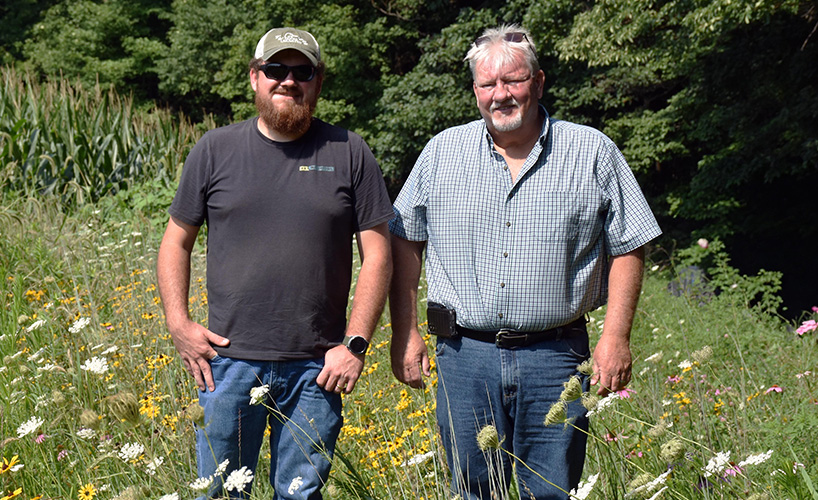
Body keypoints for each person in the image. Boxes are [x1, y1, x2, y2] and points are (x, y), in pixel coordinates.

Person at [388, 24, 661, 500]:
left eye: (513, 81)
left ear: (538, 81)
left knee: (554, 491)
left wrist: (616, 337)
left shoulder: (591, 151)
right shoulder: (441, 153)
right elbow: (404, 242)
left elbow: (629, 244)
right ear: (475, 91)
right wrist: (405, 331)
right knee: (474, 489)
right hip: (464, 357)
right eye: (488, 84)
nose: (501, 95)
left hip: (556, 358)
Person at [157, 27, 393, 499]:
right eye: (276, 69)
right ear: (254, 78)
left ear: (318, 81)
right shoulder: (214, 150)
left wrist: (356, 344)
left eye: (301, 71)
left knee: (299, 495)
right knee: (221, 493)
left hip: (316, 368)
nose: (288, 80)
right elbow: (175, 243)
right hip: (225, 364)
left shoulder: (349, 151)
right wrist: (178, 323)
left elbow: (378, 254)